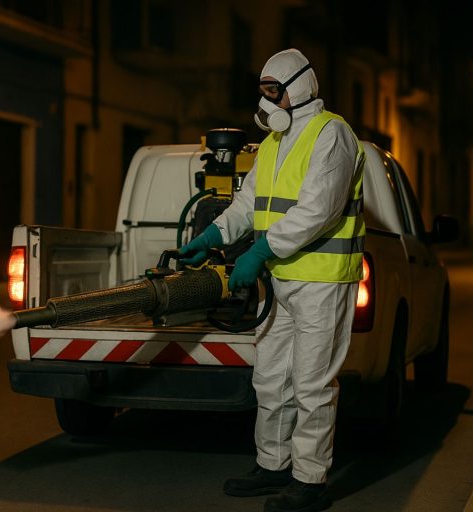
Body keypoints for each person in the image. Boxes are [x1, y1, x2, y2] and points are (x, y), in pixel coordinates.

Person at [179, 48, 365, 512]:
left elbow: (318, 210)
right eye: (262, 90)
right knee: (271, 377)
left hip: (322, 280)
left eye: (272, 91)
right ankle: (273, 465)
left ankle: (310, 481)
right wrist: (214, 235)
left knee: (312, 384)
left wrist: (261, 251)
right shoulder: (273, 143)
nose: (265, 101)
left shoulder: (333, 134)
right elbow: (249, 204)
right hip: (280, 279)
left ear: (298, 87)